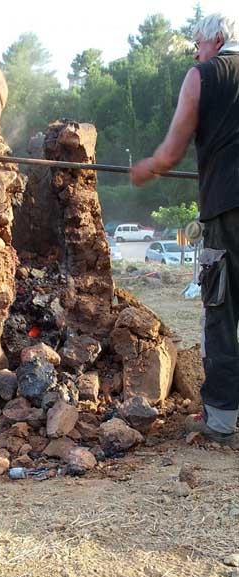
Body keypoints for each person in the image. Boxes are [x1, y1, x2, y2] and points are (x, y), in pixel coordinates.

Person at [130, 13, 239, 448]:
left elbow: (173, 149)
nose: (195, 52)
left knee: (222, 310)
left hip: (226, 210)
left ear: (215, 40)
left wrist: (149, 167)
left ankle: (221, 421)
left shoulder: (203, 76)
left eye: (197, 43)